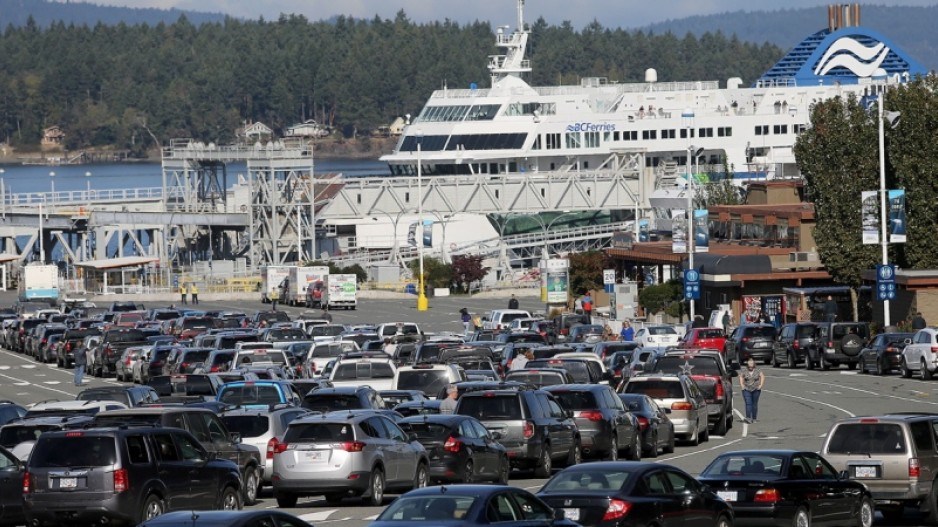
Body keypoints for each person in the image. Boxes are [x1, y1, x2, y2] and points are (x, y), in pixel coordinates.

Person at [739, 358, 765, 424]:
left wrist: (760, 385)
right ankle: (748, 418)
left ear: (754, 364)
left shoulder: (757, 370)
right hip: (746, 389)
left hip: (756, 389)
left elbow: (762, 376)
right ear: (747, 363)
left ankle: (754, 418)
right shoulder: (744, 370)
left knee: (754, 404)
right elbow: (741, 376)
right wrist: (742, 385)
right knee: (748, 403)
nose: (750, 364)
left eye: (752, 362)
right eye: (749, 362)